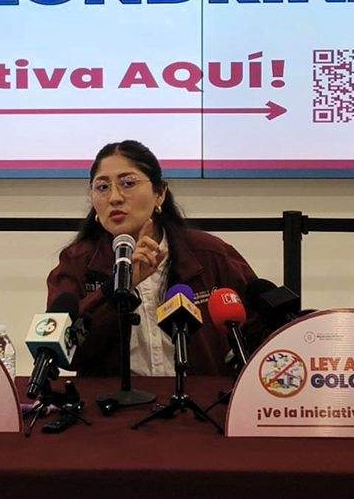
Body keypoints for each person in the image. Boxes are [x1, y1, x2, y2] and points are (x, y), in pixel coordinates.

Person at [46, 139, 266, 376]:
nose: (114, 197)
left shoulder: (210, 254)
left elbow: (260, 333)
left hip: (201, 396)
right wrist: (119, 287)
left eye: (128, 183)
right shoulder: (77, 262)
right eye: (102, 187)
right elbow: (65, 352)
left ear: (160, 194)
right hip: (111, 399)